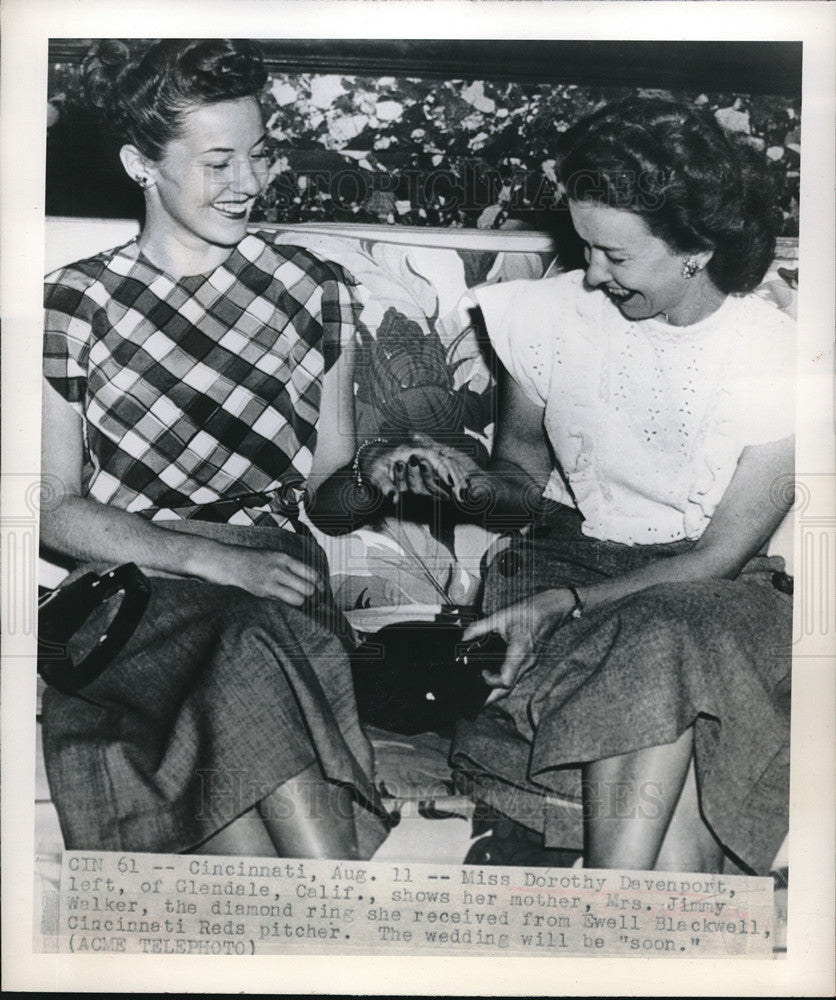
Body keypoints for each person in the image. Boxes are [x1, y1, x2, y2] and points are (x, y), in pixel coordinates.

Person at [40, 38, 468, 860]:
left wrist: (373, 474)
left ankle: (318, 939)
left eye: (261, 156)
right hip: (132, 592)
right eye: (219, 162)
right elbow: (52, 509)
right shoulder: (74, 302)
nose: (250, 184)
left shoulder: (315, 290)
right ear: (141, 164)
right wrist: (206, 560)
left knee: (251, 644)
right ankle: (341, 920)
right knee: (247, 643)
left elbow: (326, 495)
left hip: (273, 575)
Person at [445, 97, 796, 875]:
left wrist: (558, 610)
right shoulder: (549, 317)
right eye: (584, 245)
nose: (592, 275)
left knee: (662, 634)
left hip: (717, 598)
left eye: (616, 255)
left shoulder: (778, 354)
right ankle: (640, 927)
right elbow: (519, 477)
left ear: (696, 250)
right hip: (568, 562)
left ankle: (610, 910)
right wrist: (464, 484)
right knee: (676, 845)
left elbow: (719, 557)